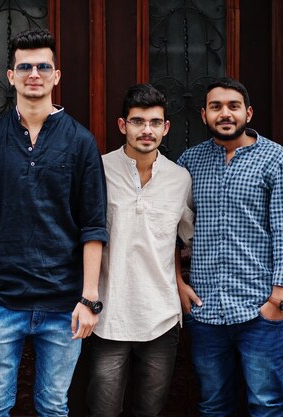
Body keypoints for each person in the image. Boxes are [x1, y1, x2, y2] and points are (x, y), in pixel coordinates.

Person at [0, 28, 108, 417]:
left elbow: (93, 225)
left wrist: (89, 299)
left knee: (53, 408)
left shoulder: (81, 142)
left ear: (57, 75)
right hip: (2, 302)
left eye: (43, 66)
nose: (33, 73)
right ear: (11, 76)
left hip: (63, 305)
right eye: (24, 66)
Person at [176, 77, 283, 416]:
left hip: (260, 311)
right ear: (204, 115)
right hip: (206, 312)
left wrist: (277, 300)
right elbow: (168, 229)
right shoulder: (190, 162)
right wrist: (180, 285)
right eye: (216, 107)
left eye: (233, 106)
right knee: (213, 405)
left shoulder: (274, 158)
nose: (225, 114)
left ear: (248, 112)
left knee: (266, 405)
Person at [86, 84, 194, 417]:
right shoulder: (97, 171)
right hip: (108, 316)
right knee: (102, 411)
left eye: (154, 122)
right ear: (123, 125)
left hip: (161, 316)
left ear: (166, 127)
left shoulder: (180, 179)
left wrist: (179, 282)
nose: (147, 130)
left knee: (150, 411)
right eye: (138, 121)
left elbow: (179, 240)